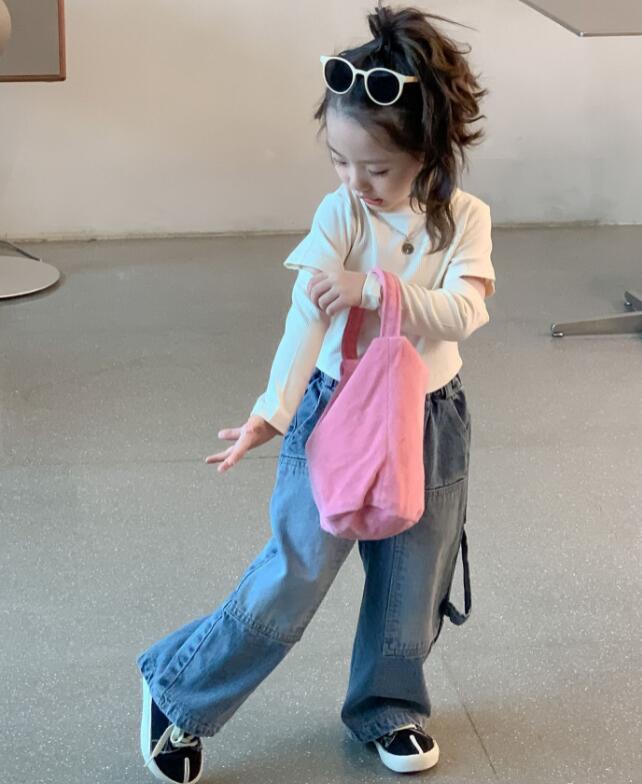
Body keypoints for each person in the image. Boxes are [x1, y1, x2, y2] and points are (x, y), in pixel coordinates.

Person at [137, 5, 496, 781]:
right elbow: (307, 316)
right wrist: (271, 410)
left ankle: (389, 708)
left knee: (411, 582)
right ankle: (179, 691)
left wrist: (375, 290)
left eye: (376, 169)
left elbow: (465, 313)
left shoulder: (464, 221)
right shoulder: (339, 214)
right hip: (333, 408)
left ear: (428, 151)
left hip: (430, 419)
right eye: (339, 160)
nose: (354, 183)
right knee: (297, 571)